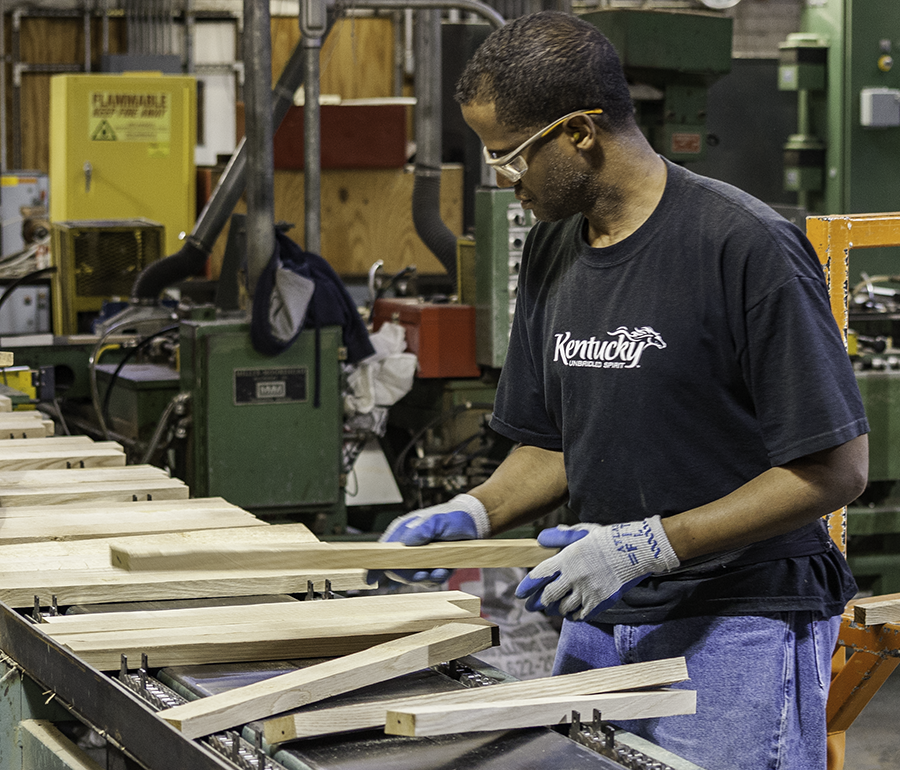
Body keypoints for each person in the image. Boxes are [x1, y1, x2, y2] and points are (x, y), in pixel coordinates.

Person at [370, 11, 869, 770]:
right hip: (603, 611)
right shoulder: (553, 247)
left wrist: (651, 544)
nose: (502, 181)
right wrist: (474, 511)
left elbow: (834, 471)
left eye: (510, 157)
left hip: (737, 619)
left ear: (579, 131)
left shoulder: (745, 247)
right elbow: (554, 444)